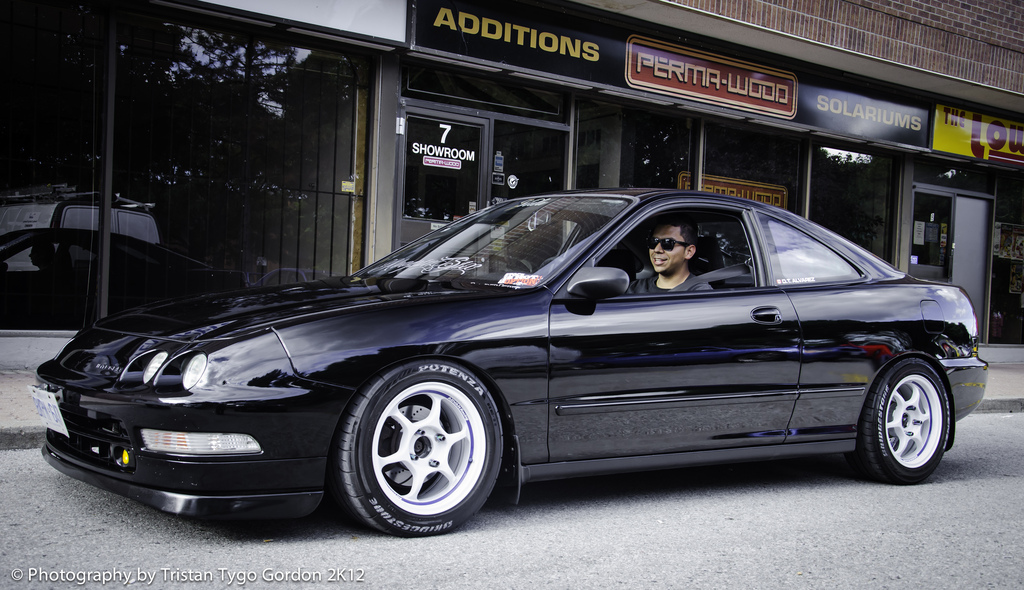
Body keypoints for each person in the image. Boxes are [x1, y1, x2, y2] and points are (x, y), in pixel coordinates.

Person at [627, 213, 712, 293]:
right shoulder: (634, 289)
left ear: (689, 252)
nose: (657, 249)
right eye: (653, 242)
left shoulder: (700, 293)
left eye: (667, 243)